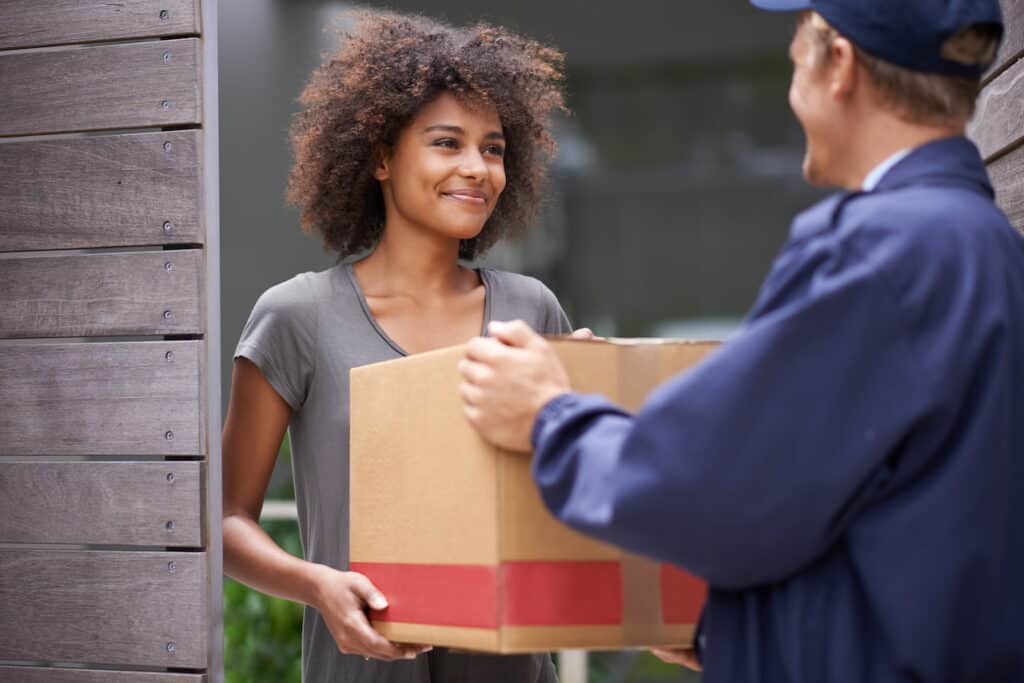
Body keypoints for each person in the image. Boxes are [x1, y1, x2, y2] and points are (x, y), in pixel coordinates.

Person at [458, 1, 1024, 681]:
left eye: (794, 54)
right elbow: (877, 522)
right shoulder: (987, 245)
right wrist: (726, 631)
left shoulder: (877, 246)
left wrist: (549, 415)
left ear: (838, 64)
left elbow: (705, 488)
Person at [222, 10, 576, 682]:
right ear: (381, 156)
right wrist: (320, 585)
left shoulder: (531, 312)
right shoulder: (299, 317)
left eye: (494, 148)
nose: (477, 168)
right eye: (448, 142)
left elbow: (570, 500)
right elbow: (226, 522)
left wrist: (590, 398)